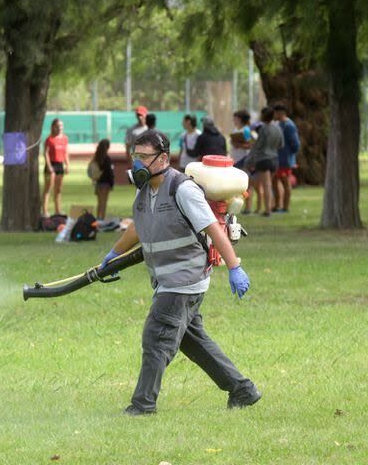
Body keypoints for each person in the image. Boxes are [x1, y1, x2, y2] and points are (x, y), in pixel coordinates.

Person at [100, 130, 260, 416]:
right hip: (168, 280)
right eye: (134, 157)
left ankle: (143, 405)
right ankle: (242, 390)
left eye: (143, 157)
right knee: (193, 340)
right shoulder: (145, 187)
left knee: (156, 338)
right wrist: (113, 254)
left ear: (162, 158)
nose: (136, 164)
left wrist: (235, 267)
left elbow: (212, 228)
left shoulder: (182, 189)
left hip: (183, 279)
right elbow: (137, 226)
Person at [245, 107, 283, 217]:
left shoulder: (263, 129)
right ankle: (270, 206)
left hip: (263, 159)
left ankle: (268, 210)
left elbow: (258, 146)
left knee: (266, 185)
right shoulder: (278, 128)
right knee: (268, 184)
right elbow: (281, 144)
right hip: (274, 159)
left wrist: (250, 160)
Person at [273, 104, 300, 213]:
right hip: (277, 159)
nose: (274, 115)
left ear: (281, 113)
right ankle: (277, 205)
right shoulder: (278, 124)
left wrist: (289, 155)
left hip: (285, 160)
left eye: (275, 112)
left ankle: (285, 207)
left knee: (285, 182)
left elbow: (295, 144)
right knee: (274, 181)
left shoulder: (289, 125)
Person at [230, 110, 256, 214]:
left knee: (246, 186)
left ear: (240, 119)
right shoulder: (235, 129)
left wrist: (239, 145)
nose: (233, 120)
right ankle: (238, 206)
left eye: (235, 118)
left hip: (244, 159)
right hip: (235, 160)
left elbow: (251, 145)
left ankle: (248, 207)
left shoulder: (246, 130)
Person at [42, 118, 69, 217]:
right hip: (51, 166)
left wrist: (67, 165)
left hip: (60, 165)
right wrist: (49, 166)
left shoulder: (64, 138)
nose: (60, 128)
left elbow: (66, 152)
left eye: (61, 126)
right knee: (48, 189)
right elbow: (45, 153)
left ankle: (58, 211)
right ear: (53, 127)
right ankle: (45, 212)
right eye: (57, 126)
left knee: (58, 190)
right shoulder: (49, 139)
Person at [90, 139, 115, 220]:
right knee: (104, 203)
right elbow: (109, 173)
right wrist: (111, 183)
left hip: (98, 183)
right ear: (107, 147)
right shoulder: (107, 158)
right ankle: (102, 219)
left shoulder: (96, 157)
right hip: (106, 183)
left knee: (99, 202)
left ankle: (98, 218)